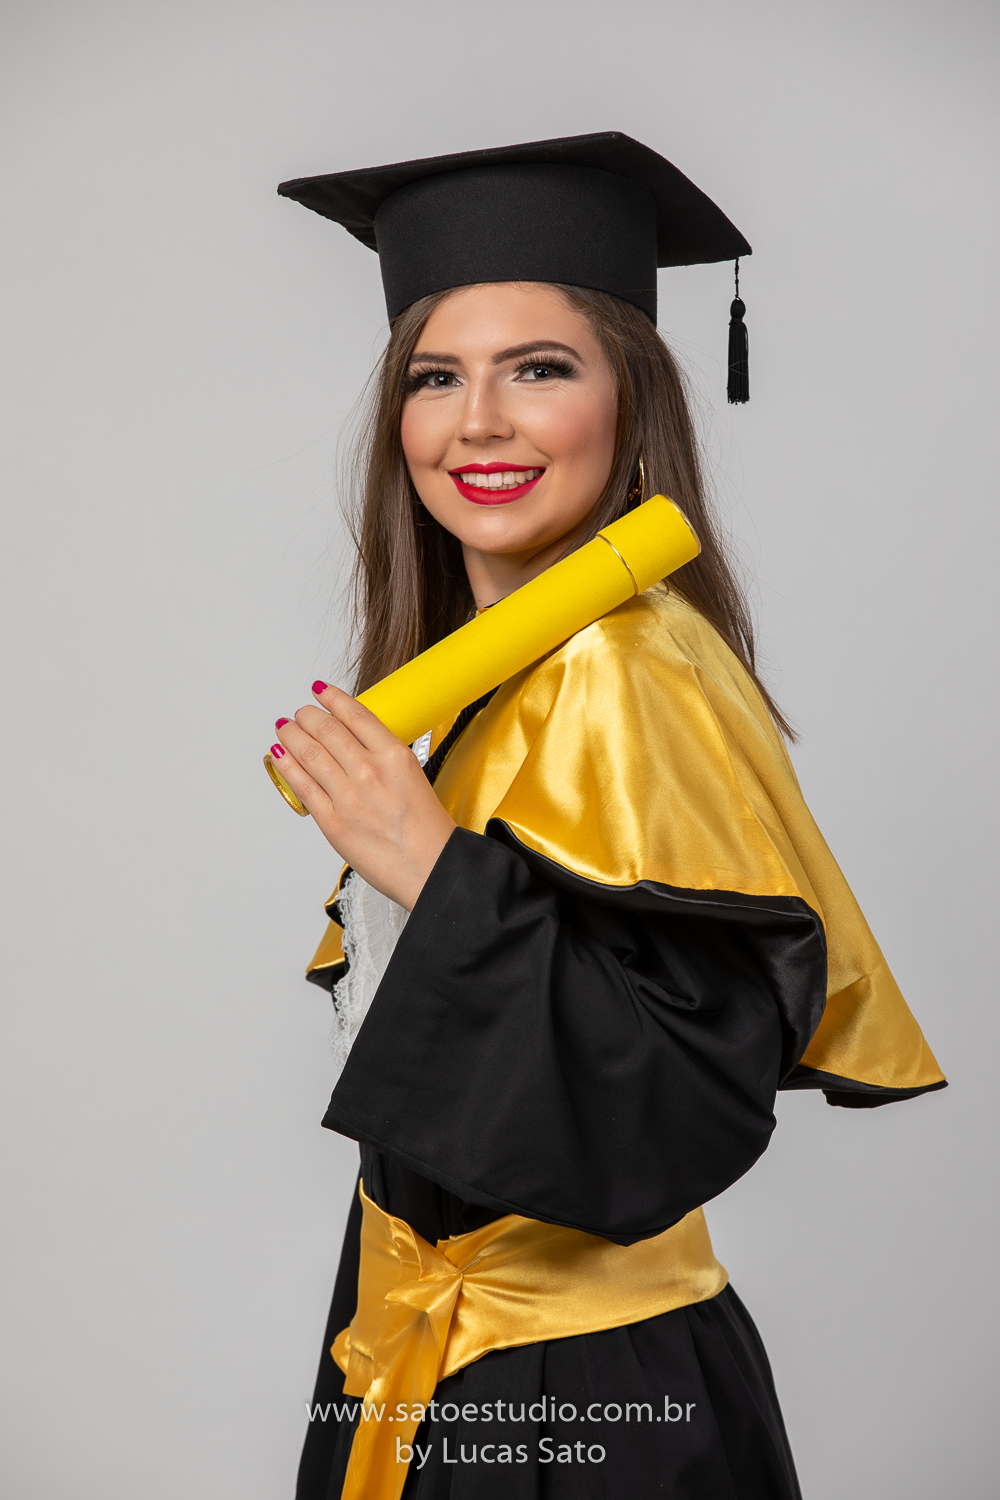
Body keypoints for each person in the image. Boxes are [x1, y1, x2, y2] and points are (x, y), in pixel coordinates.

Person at [267, 134, 946, 1500]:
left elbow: (688, 1089)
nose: (479, 423)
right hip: (426, 1353)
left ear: (633, 410)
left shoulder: (629, 665)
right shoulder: (494, 670)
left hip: (578, 1400)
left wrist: (429, 868)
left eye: (541, 368)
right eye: (437, 377)